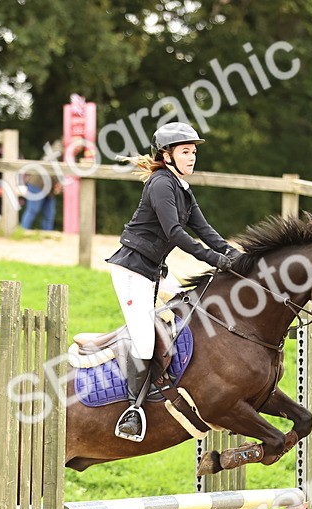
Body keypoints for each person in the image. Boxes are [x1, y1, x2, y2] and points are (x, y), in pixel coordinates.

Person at [105, 121, 236, 442]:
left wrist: (235, 254)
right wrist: (215, 260)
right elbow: (175, 233)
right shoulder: (161, 184)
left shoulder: (182, 188)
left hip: (155, 271)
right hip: (132, 271)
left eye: (193, 152)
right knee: (145, 341)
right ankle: (133, 411)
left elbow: (205, 231)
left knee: (192, 312)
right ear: (167, 154)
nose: (192, 158)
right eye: (186, 152)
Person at [19, 140, 63, 231]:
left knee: (49, 214)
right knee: (33, 210)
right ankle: (22, 231)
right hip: (38, 183)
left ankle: (47, 234)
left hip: (49, 186)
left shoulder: (63, 152)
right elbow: (50, 167)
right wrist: (58, 182)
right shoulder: (58, 150)